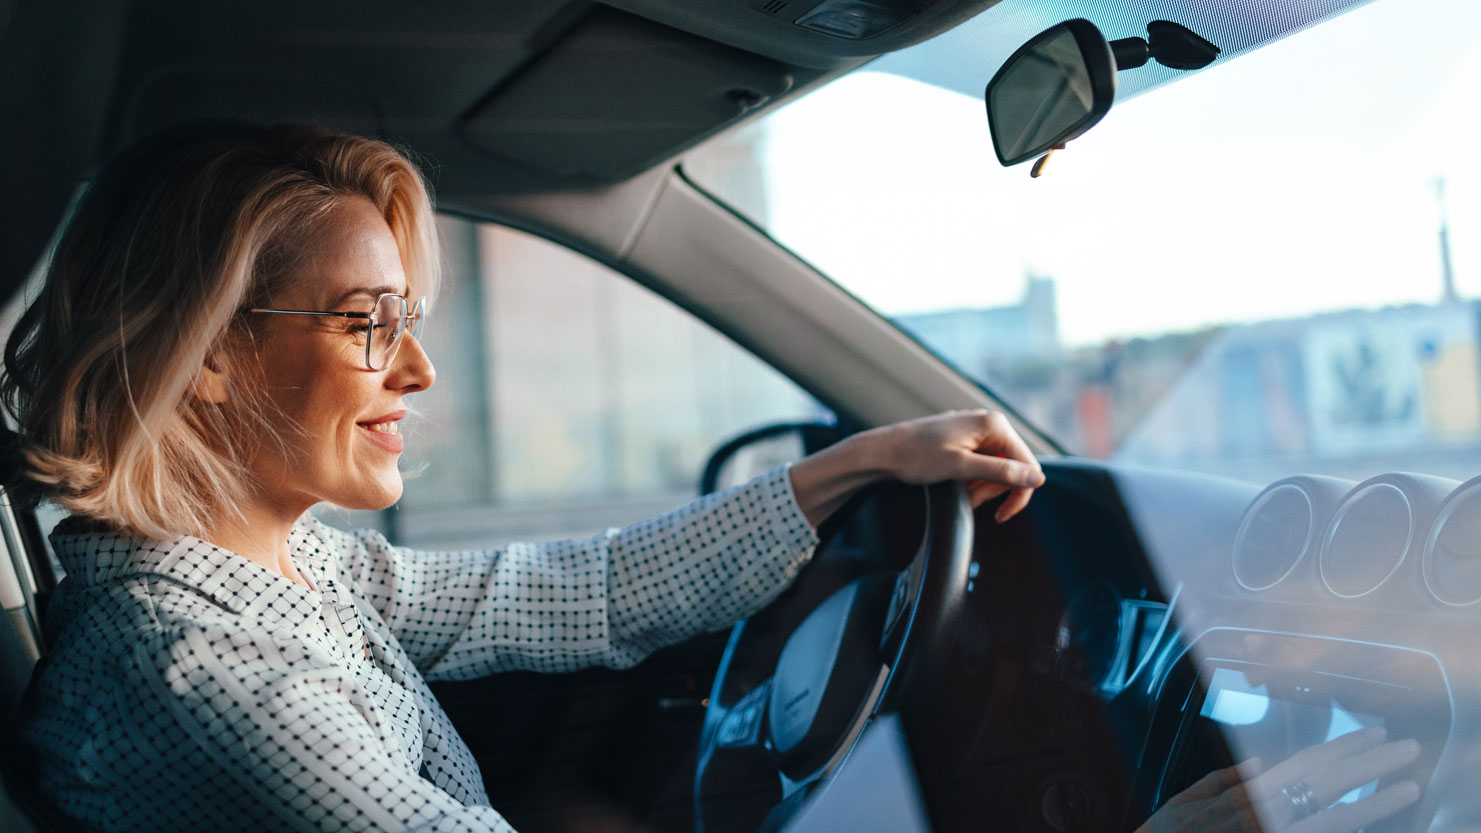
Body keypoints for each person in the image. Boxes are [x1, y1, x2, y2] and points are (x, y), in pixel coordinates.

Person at [5, 122, 1046, 832]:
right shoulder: (202, 667)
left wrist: (863, 460)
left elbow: (580, 591)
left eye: (406, 321)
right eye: (369, 323)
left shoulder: (284, 572)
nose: (415, 369)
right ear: (210, 354)